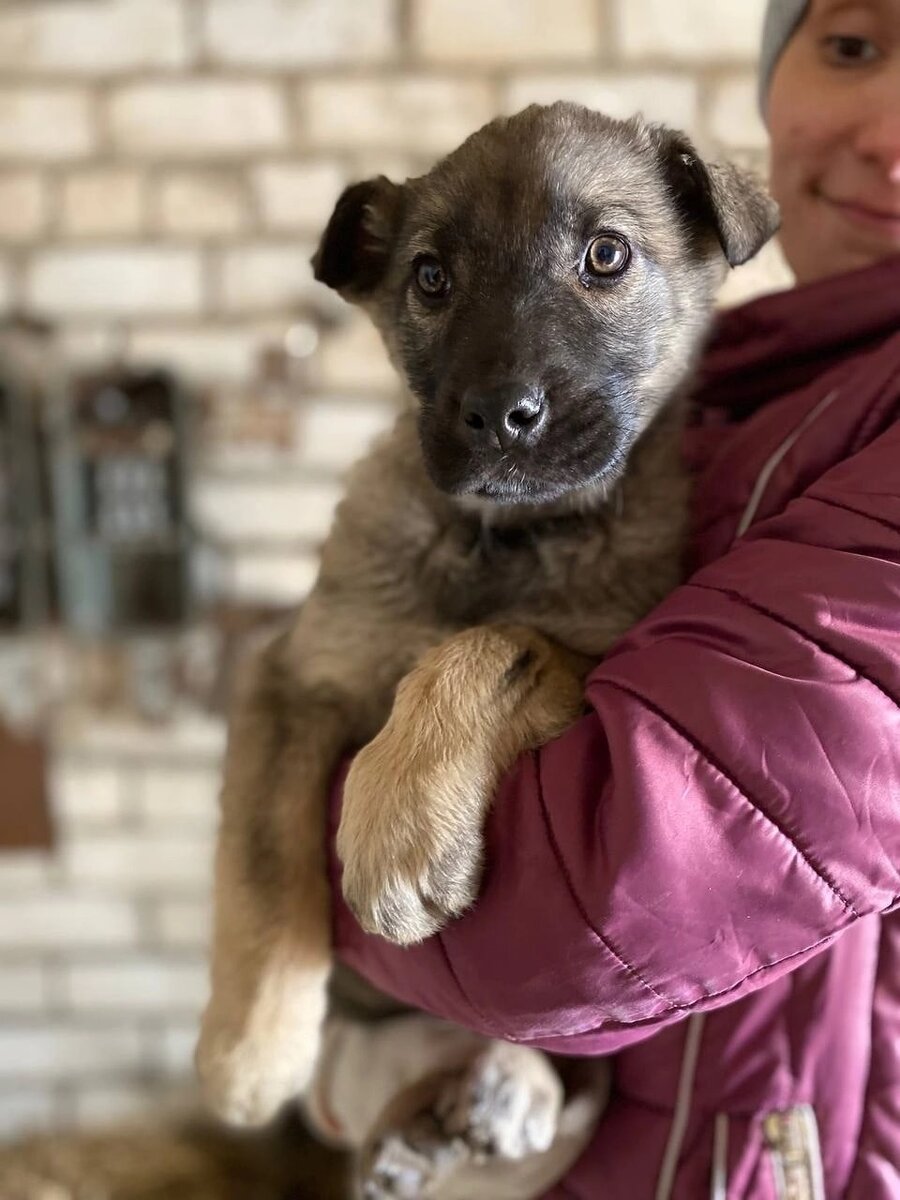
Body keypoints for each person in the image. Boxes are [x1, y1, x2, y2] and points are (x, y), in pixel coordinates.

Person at [326, 1, 900, 1195]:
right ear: (778, 67)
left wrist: (307, 833)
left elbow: (588, 908)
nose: (889, 135)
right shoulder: (726, 383)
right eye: (853, 44)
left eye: (601, 259)